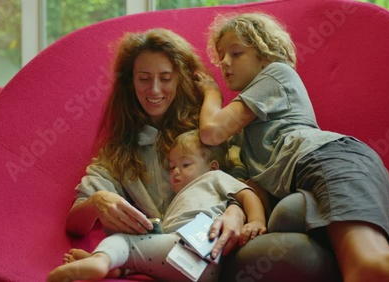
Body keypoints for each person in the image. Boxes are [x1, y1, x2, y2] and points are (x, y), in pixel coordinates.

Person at [195, 12, 389, 281]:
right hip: (354, 164)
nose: (224, 63)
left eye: (236, 53)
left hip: (327, 159)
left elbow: (212, 131)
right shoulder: (247, 132)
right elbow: (251, 185)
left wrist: (212, 92)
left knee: (367, 268)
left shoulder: (276, 75)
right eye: (221, 55)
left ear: (265, 55)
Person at [53, 28, 249, 280]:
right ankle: (113, 263)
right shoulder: (118, 151)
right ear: (130, 82)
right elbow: (75, 224)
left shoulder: (207, 129)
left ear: (180, 79)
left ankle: (114, 263)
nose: (155, 90)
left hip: (227, 244)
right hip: (169, 257)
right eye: (144, 79)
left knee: (295, 254)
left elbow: (245, 178)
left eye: (166, 78)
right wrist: (97, 201)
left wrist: (236, 212)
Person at [47, 129, 267, 281]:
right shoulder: (179, 197)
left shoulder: (214, 177)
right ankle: (118, 270)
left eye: (186, 164)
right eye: (171, 167)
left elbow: (247, 194)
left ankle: (102, 260)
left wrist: (256, 220)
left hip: (197, 247)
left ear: (212, 166)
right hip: (191, 264)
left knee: (123, 241)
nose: (176, 171)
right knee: (149, 250)